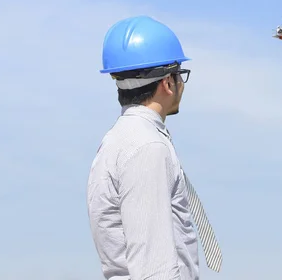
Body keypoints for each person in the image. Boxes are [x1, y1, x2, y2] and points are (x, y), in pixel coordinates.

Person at [87, 16, 222, 280]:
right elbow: (153, 266)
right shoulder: (147, 147)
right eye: (180, 75)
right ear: (167, 83)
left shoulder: (117, 140)